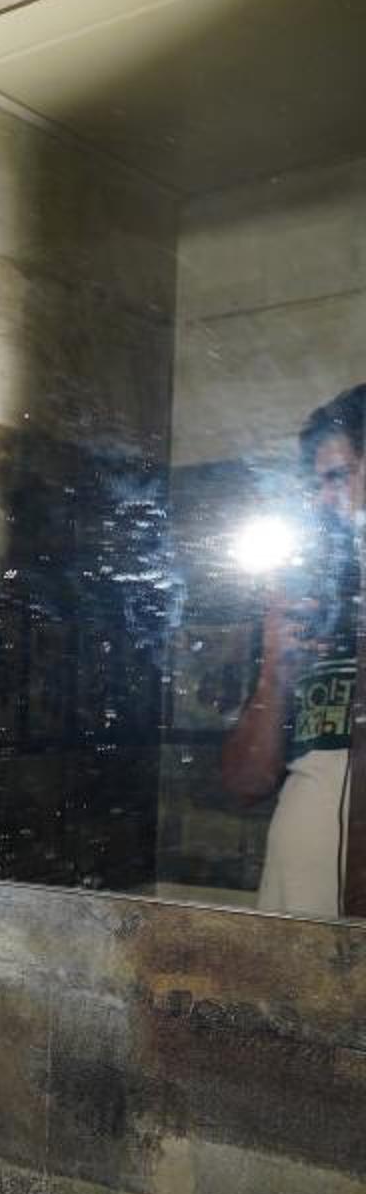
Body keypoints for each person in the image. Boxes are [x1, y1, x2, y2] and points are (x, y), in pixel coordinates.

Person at [221, 383, 362, 915]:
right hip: (295, 901)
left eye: (337, 477)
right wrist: (273, 673)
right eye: (316, 484)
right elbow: (245, 784)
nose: (323, 500)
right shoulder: (312, 600)